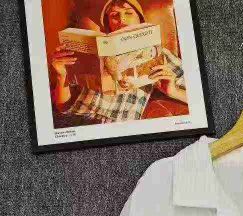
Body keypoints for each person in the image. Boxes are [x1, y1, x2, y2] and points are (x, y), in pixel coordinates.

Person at [51, 0, 187, 126]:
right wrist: (61, 75)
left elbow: (197, 97)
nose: (121, 19)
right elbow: (62, 107)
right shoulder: (91, 51)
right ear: (108, 24)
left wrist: (173, 91)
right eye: (114, 15)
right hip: (75, 120)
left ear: (140, 20)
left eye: (128, 13)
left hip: (117, 125)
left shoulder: (158, 53)